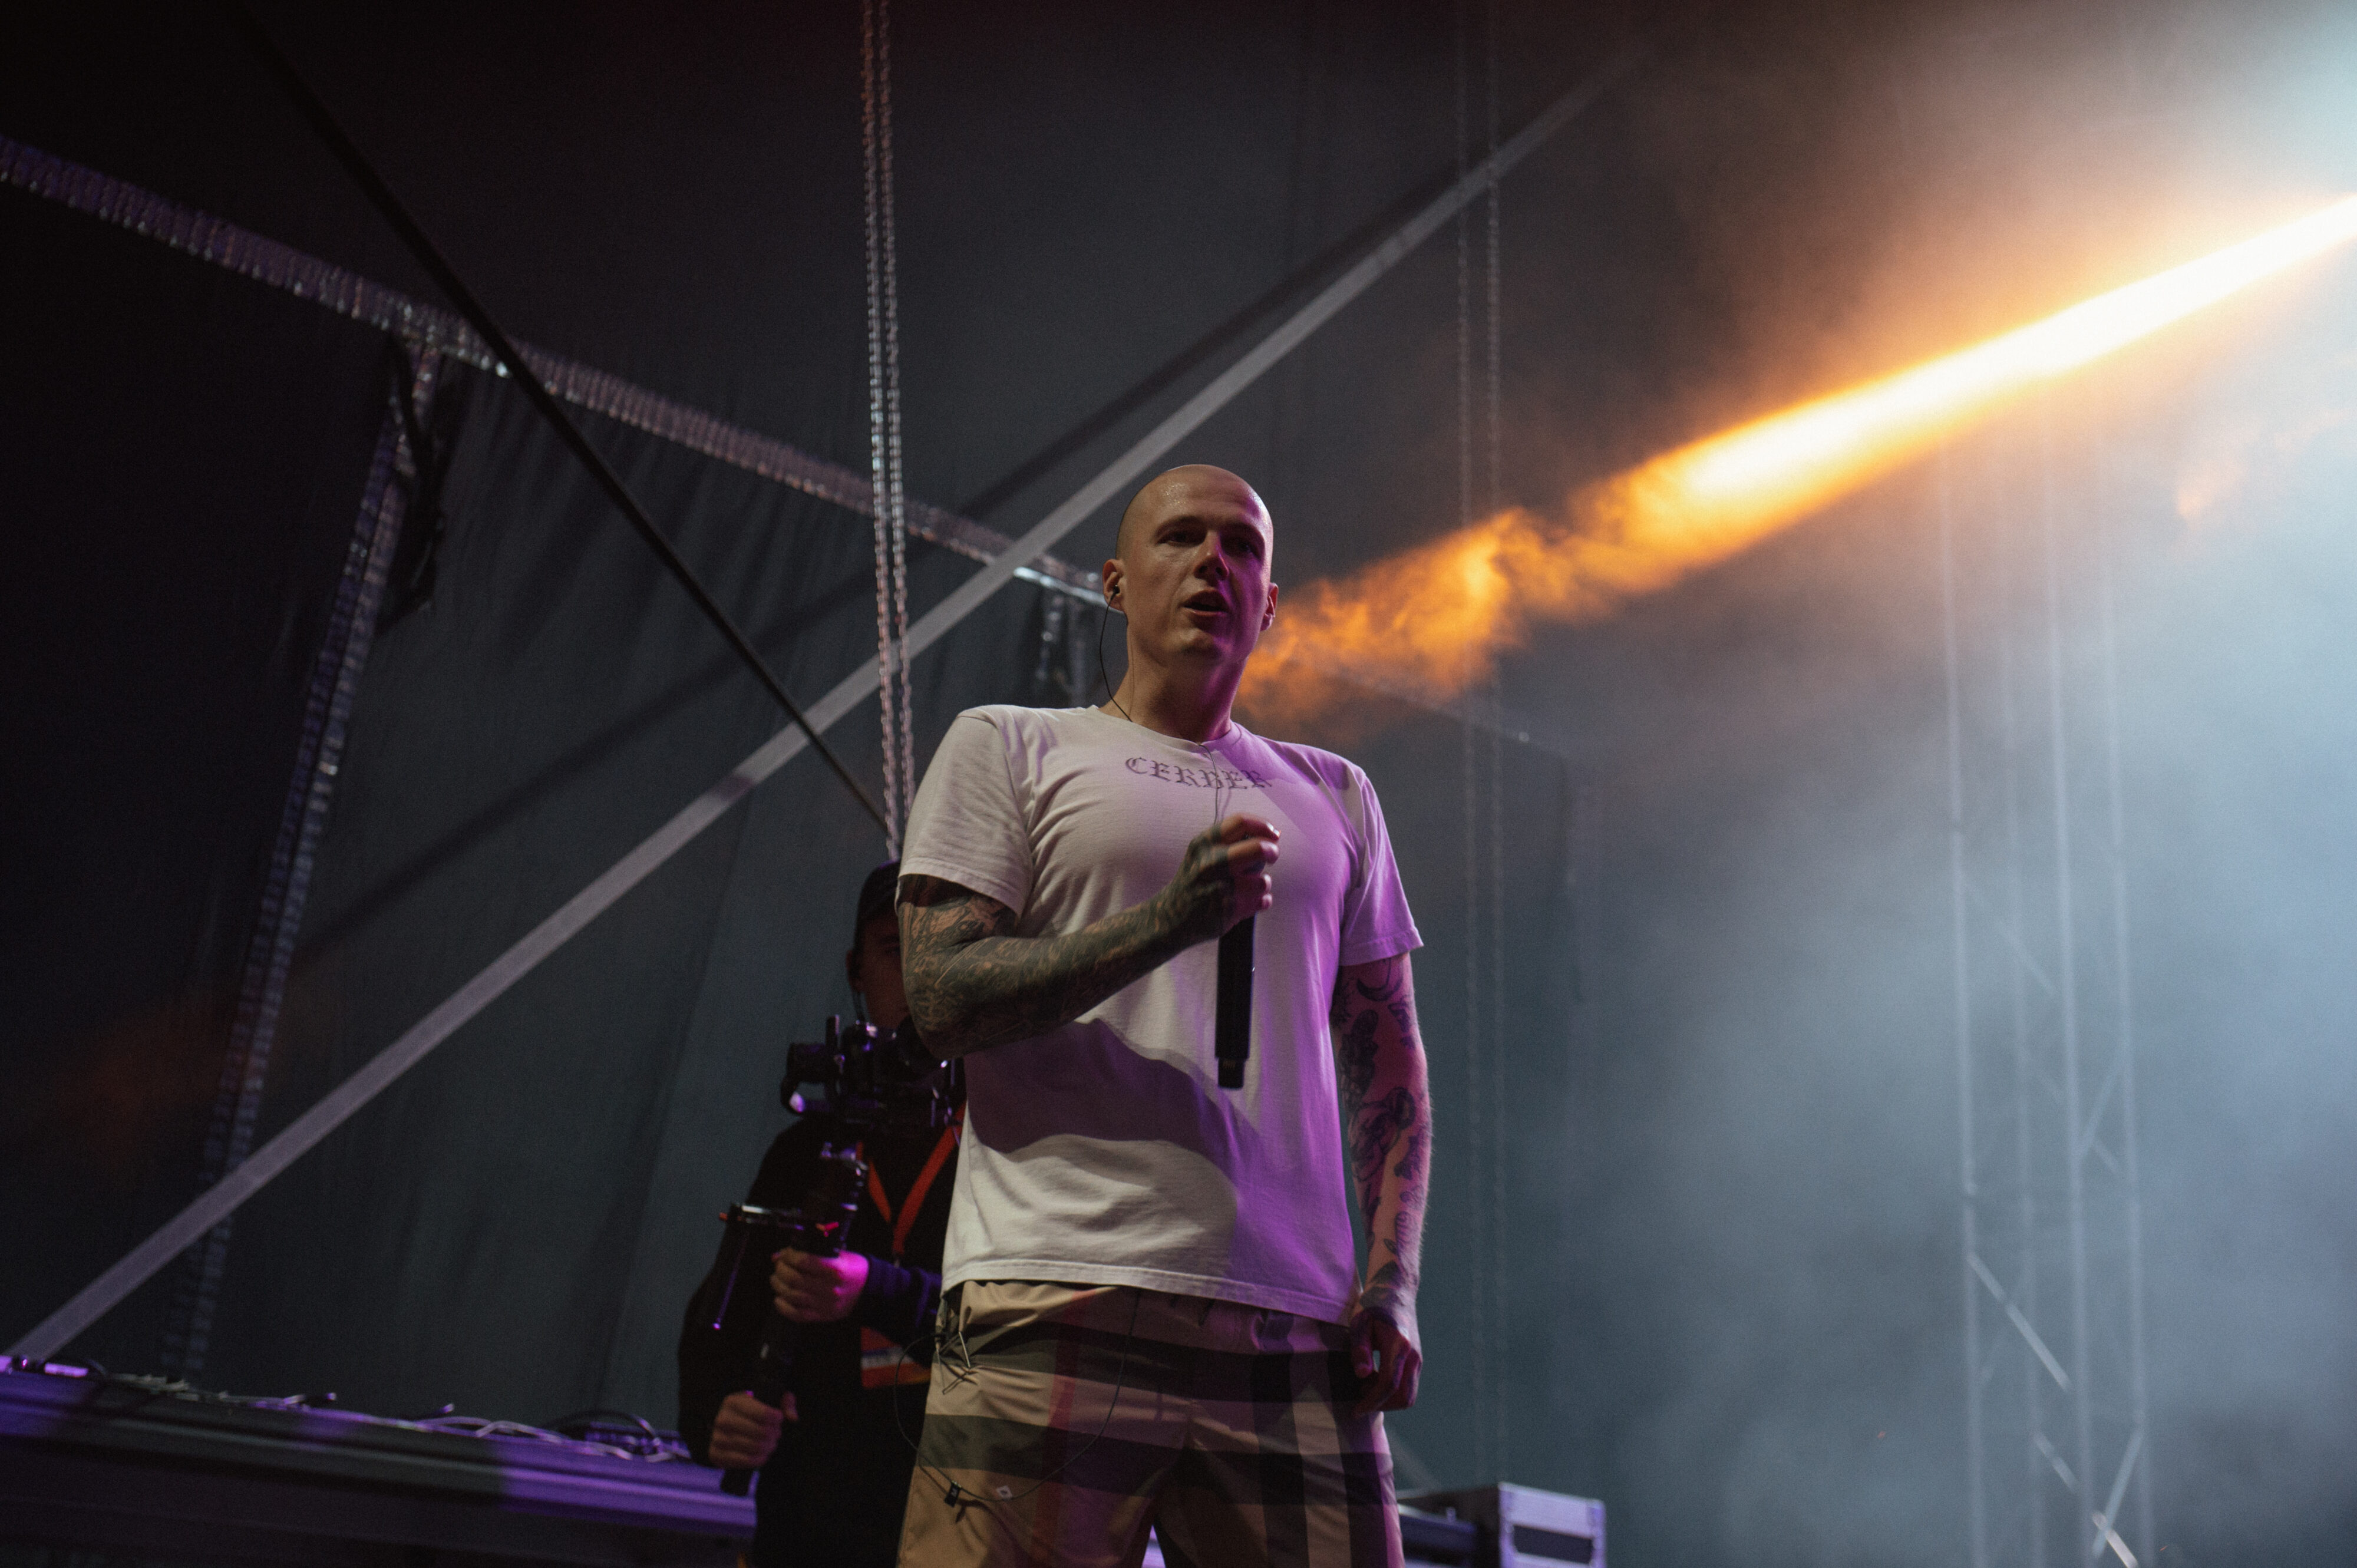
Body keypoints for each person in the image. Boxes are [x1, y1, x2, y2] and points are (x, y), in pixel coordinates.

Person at [893, 464, 1431, 1568]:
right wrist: (1164, 923)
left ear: (1270, 604)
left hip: (1296, 1324)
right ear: (1114, 581)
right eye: (1181, 537)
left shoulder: (1336, 794)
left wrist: (1394, 1286)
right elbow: (938, 998)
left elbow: (1389, 1070)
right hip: (1052, 1288)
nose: (1212, 563)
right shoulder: (1009, 745)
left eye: (1242, 546)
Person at [677, 860, 962, 1568]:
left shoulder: (1009, 1143)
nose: (917, 978)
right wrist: (718, 1412)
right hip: (812, 1528)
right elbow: (720, 1323)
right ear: (856, 971)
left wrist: (874, 1289)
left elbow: (1025, 1330)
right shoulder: (808, 1150)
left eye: (941, 952)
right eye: (894, 951)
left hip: (960, 1520)